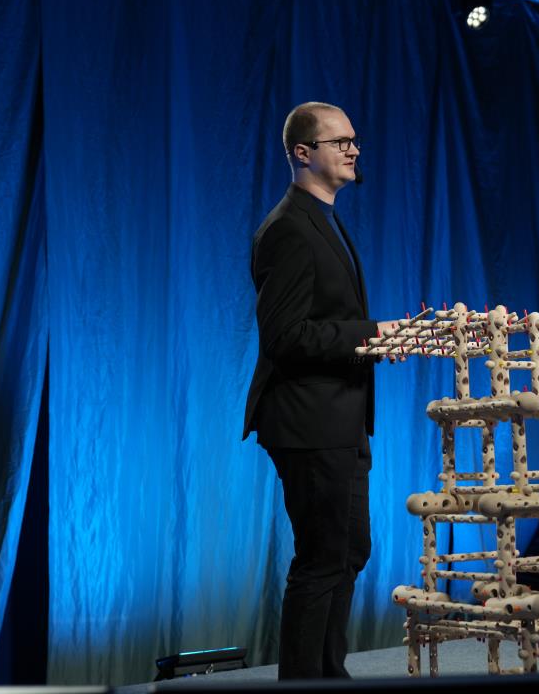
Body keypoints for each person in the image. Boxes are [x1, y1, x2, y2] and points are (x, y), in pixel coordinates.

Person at [243, 102, 399, 679]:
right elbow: (284, 337)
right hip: (308, 423)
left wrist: (378, 341)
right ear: (303, 153)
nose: (354, 149)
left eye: (355, 140)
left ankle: (330, 678)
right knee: (322, 559)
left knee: (349, 551)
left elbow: (327, 323)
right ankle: (304, 685)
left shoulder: (324, 219)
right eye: (341, 141)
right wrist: (371, 335)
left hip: (341, 419)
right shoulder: (288, 228)